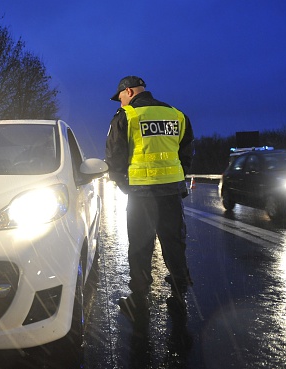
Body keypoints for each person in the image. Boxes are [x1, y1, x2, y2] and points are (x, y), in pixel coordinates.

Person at [105, 75, 194, 322]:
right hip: (171, 193)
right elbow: (185, 152)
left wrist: (125, 185)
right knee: (174, 242)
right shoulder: (177, 115)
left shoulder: (127, 116)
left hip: (141, 194)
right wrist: (176, 178)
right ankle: (179, 294)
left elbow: (114, 157)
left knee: (141, 246)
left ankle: (139, 299)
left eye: (120, 97)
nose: (120, 102)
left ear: (130, 92)